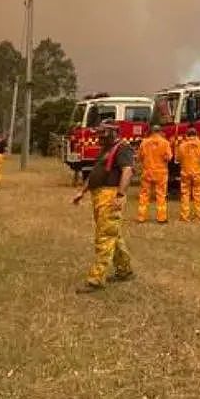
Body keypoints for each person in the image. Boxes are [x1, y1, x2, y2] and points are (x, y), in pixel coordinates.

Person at [72, 123, 135, 293]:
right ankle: (125, 270)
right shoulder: (106, 149)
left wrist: (120, 195)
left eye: (102, 134)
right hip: (99, 196)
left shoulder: (123, 148)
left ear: (113, 132)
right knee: (114, 234)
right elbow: (95, 173)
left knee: (104, 237)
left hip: (111, 195)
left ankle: (96, 279)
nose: (99, 137)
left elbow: (127, 171)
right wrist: (82, 191)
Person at [136, 125, 173, 224]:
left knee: (144, 195)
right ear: (160, 132)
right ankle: (161, 218)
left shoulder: (144, 142)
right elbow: (169, 158)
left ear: (151, 132)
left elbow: (139, 157)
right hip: (160, 173)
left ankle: (141, 217)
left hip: (147, 172)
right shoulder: (165, 143)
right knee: (161, 195)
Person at [176, 127, 200, 222]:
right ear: (196, 135)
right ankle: (199, 216)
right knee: (198, 194)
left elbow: (178, 159)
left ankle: (184, 216)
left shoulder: (182, 145)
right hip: (198, 173)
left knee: (185, 194)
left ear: (187, 135)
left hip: (185, 173)